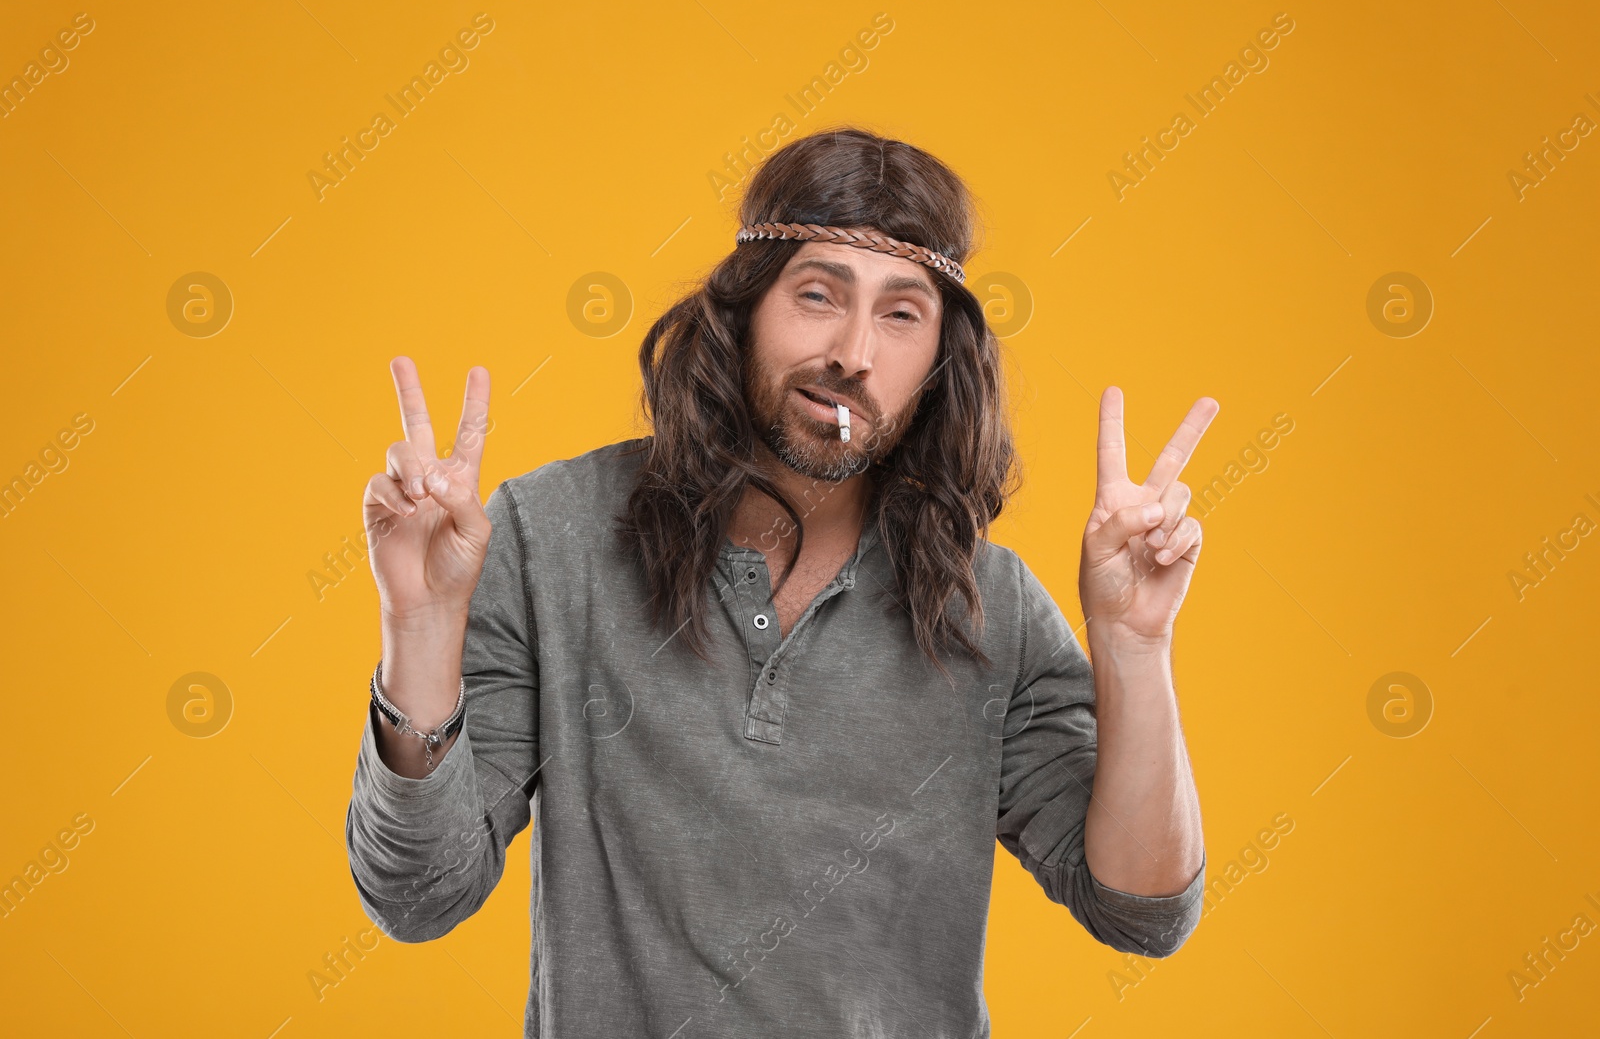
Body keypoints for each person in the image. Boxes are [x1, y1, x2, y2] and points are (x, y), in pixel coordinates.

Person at [345, 126, 1216, 1037]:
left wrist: (1134, 644)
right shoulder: (551, 535)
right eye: (817, 294)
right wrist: (421, 623)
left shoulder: (987, 607)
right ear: (745, 307)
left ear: (939, 361)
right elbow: (418, 893)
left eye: (901, 314)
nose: (853, 352)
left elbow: (1143, 912)